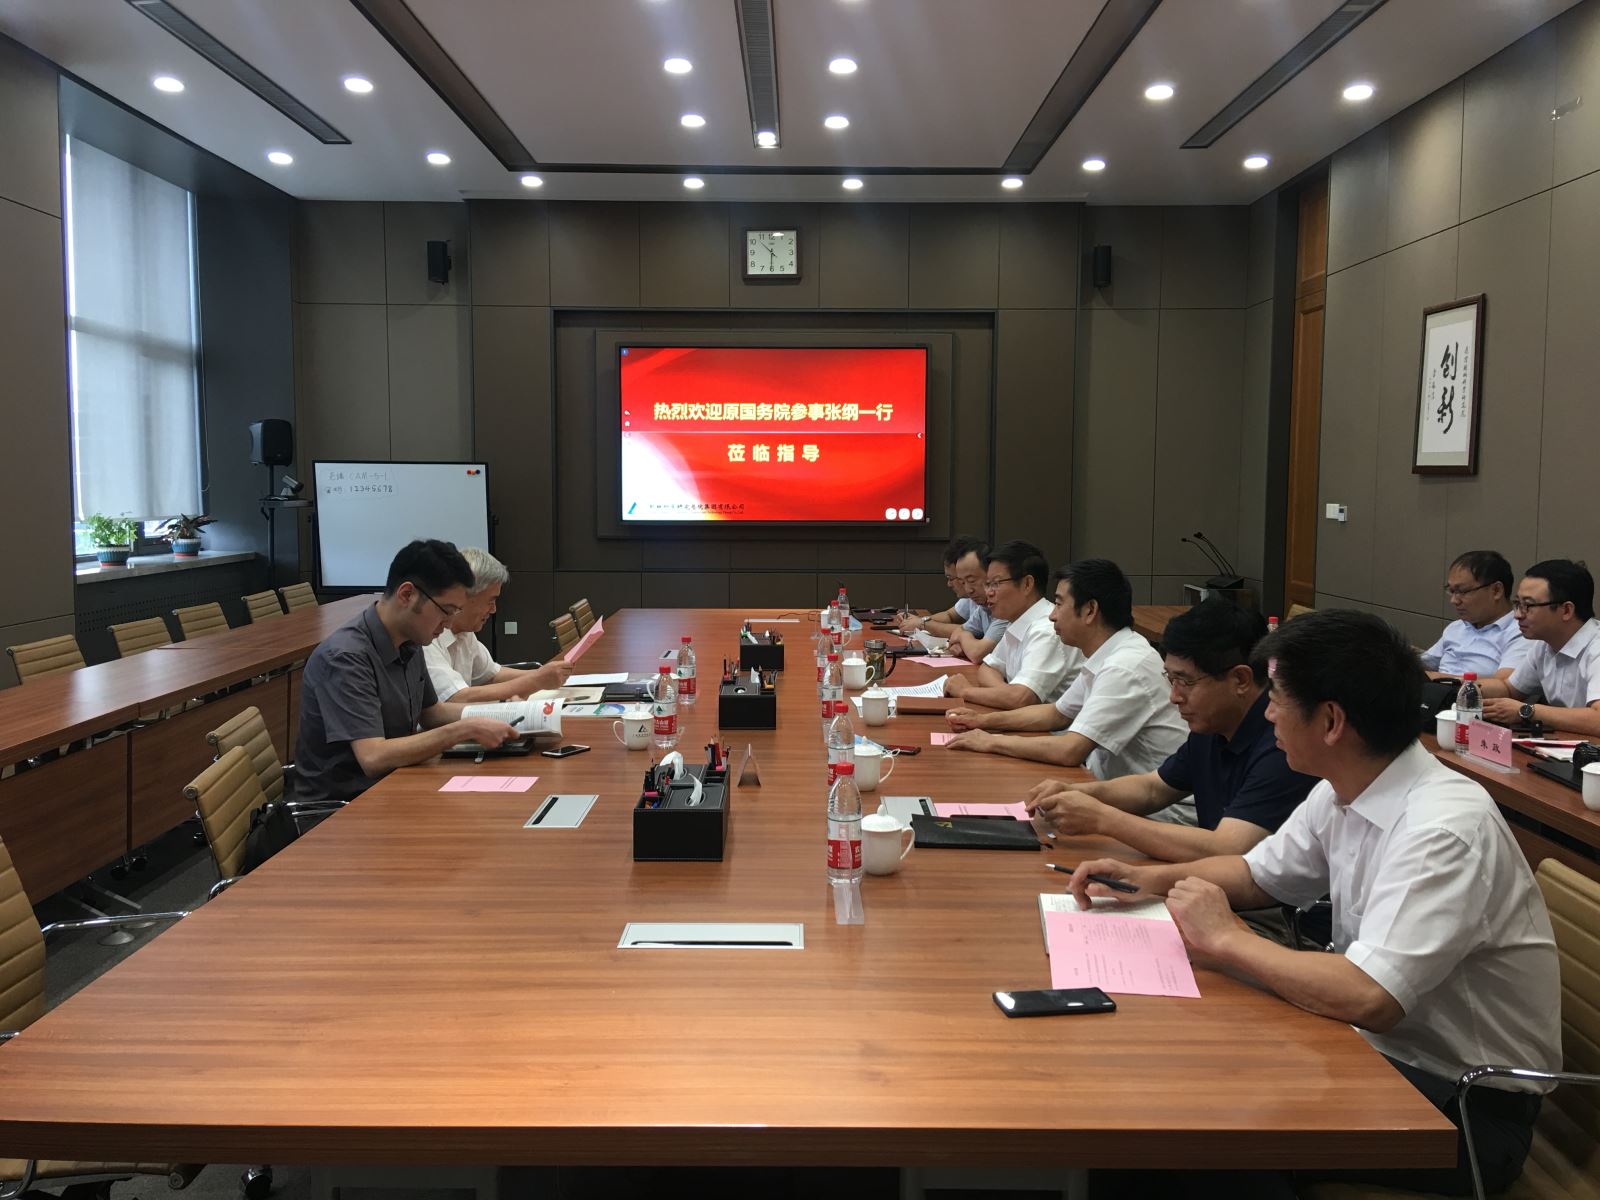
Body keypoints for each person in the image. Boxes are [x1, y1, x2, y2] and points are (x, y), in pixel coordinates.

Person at [1072, 610, 1559, 1198]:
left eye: (1277, 699)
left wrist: (1226, 938)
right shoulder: (1342, 788)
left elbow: (1370, 996)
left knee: (1202, 1121)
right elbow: (1258, 874)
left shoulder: (1442, 828)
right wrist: (1148, 880)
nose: (1267, 714)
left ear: (1330, 721)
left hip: (1466, 1105)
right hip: (1374, 1052)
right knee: (1168, 1077)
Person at [1025, 598, 1317, 860]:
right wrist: (1075, 793)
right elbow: (1153, 789)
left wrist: (1102, 818)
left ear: (1240, 679)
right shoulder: (1212, 725)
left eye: (1185, 681)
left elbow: (1227, 848)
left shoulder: (1282, 742)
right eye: (1170, 679)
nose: (1174, 696)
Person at [293, 539, 522, 807]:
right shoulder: (346, 657)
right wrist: (464, 729)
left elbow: (431, 712)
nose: (449, 622)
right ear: (406, 595)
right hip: (345, 809)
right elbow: (373, 757)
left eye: (456, 611)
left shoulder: (410, 640)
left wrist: (503, 713)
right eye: (446, 610)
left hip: (398, 783)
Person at [942, 559, 1184, 779]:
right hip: (1108, 785)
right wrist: (982, 721)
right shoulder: (1109, 651)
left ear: (1090, 610)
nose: (1052, 616)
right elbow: (1056, 713)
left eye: (1059, 604)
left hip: (1153, 807)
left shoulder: (1124, 666)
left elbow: (1070, 750)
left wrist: (991, 741)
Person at [424, 547, 574, 702]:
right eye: (491, 601)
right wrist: (536, 680)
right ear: (465, 596)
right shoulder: (427, 636)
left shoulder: (465, 632)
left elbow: (491, 675)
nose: (494, 609)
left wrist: (547, 675)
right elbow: (454, 697)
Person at [943, 541, 1080, 709]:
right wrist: (1007, 694)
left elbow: (1021, 699)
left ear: (1027, 584)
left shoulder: (1047, 630)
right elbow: (987, 669)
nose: (988, 592)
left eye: (996, 583)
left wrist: (965, 691)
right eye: (988, 584)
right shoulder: (1016, 621)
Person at [1478, 559, 1600, 736]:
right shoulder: (1543, 645)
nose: (1517, 615)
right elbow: (1509, 689)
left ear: (1566, 610)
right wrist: (1463, 688)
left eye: (1528, 606)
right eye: (1517, 604)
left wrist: (1527, 711)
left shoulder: (1596, 648)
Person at [1420, 550, 1528, 680]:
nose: (1454, 600)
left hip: (1473, 693)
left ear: (1496, 590)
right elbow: (1424, 663)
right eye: (1452, 591)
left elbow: (1502, 685)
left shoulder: (1521, 632)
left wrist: (1434, 678)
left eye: (1462, 591)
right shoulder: (1457, 627)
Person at [898, 535, 1009, 661]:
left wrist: (964, 640)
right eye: (963, 582)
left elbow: (977, 653)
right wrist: (965, 641)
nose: (968, 590)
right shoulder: (983, 607)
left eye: (971, 581)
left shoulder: (1004, 608)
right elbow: (958, 631)